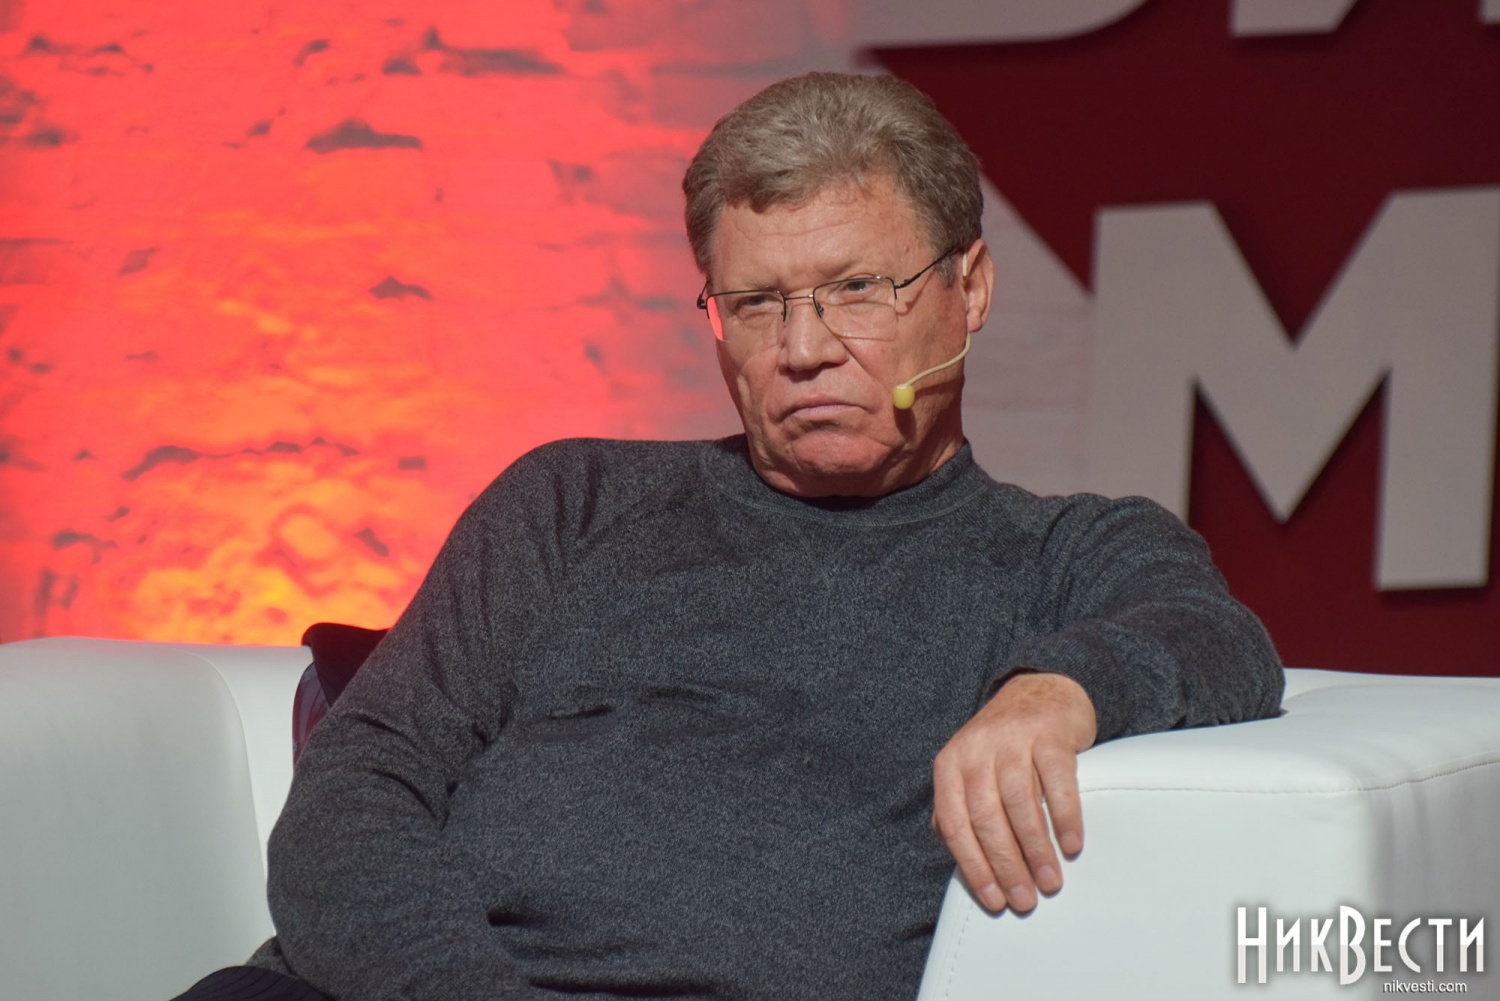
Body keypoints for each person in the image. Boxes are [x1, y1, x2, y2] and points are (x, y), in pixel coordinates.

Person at [174, 72, 1281, 1001]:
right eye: (755, 304)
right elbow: (351, 797)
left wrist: (1058, 689)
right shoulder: (574, 502)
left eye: (857, 289)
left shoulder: (1055, 555)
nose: (803, 349)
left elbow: (1216, 634)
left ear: (971, 288)